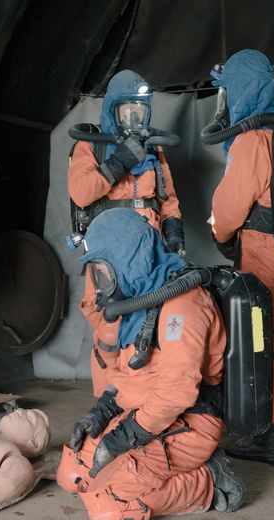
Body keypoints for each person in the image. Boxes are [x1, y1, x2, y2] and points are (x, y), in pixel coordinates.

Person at [56, 209, 245, 520]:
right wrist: (102, 411)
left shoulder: (181, 306)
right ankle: (140, 466)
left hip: (188, 423)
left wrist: (121, 439)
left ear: (126, 260)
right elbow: (132, 372)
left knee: (107, 509)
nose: (100, 285)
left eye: (103, 272)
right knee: (71, 476)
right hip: (143, 417)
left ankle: (209, 482)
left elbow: (176, 394)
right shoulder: (141, 297)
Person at [207, 49, 274, 465]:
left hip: (265, 250)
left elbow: (231, 205)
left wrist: (219, 233)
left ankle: (267, 438)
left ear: (243, 89)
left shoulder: (254, 138)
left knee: (262, 342)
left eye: (228, 90)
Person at [68, 69, 185, 398]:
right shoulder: (91, 145)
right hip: (110, 252)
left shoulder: (154, 150)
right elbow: (81, 192)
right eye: (127, 110)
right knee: (108, 321)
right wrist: (119, 161)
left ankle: (142, 400)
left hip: (150, 249)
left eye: (140, 110)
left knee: (151, 319)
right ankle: (108, 401)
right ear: (112, 109)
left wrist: (175, 236)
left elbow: (169, 199)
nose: (134, 117)